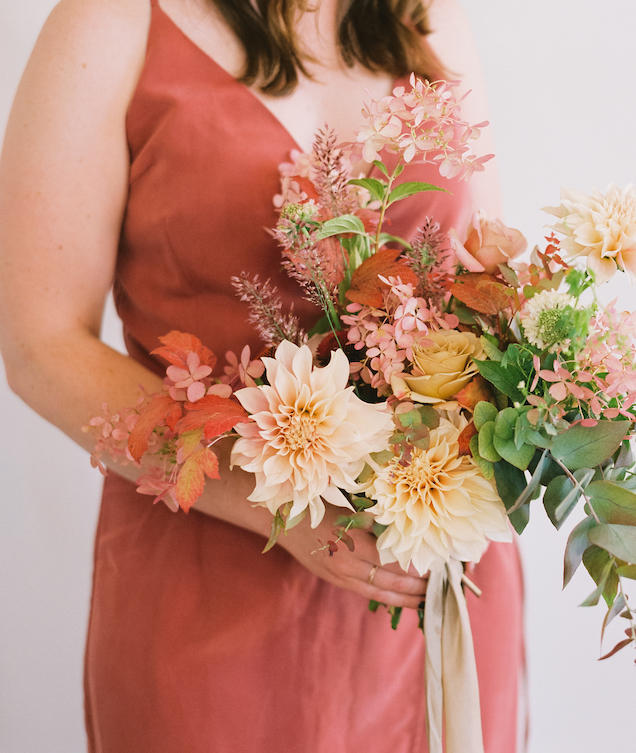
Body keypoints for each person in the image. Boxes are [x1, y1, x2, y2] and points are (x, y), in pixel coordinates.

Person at [0, 0, 524, 750]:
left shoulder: (424, 17)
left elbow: (481, 287)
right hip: (210, 580)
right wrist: (287, 507)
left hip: (431, 582)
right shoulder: (106, 24)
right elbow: (42, 345)